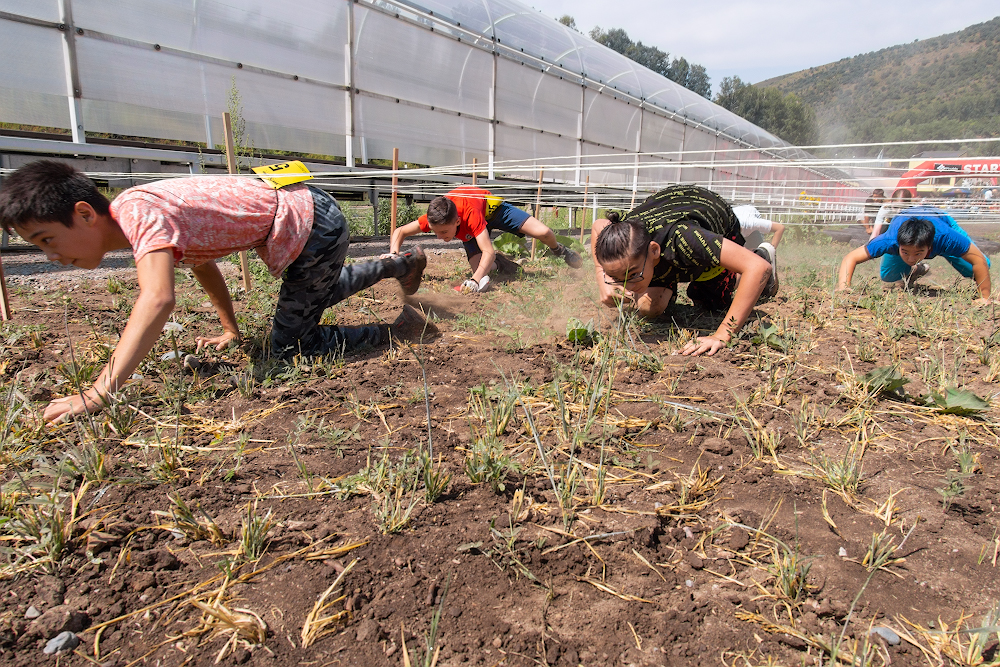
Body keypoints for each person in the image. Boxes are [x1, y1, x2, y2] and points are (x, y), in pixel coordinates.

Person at [0, 160, 429, 422]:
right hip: (311, 215)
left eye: (46, 240)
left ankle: (402, 330)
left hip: (313, 222)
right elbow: (203, 265)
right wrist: (230, 331)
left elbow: (157, 298)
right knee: (316, 293)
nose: (50, 256)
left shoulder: (138, 213)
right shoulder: (140, 215)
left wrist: (98, 391)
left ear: (84, 214)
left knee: (291, 348)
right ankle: (399, 263)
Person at [591, 184, 779, 357]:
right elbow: (599, 225)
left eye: (632, 275)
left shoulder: (686, 239)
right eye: (617, 278)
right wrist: (602, 278)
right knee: (649, 307)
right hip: (664, 241)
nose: (628, 287)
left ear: (654, 250)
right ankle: (656, 279)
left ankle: (760, 255)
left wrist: (722, 335)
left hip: (712, 221)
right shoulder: (625, 235)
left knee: (711, 301)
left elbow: (757, 268)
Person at [388, 185, 583, 292]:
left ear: (456, 221)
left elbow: (487, 250)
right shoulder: (435, 217)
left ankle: (560, 250)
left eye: (444, 233)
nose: (440, 237)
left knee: (544, 233)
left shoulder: (470, 215)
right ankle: (501, 263)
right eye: (435, 232)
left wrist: (473, 280)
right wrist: (393, 254)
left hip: (493, 212)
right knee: (485, 269)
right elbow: (400, 232)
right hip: (473, 225)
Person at [836, 206, 992, 299]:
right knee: (888, 277)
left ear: (930, 248)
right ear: (898, 245)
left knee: (981, 266)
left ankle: (945, 254)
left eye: (918, 254)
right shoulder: (889, 240)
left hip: (941, 219)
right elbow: (851, 257)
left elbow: (979, 261)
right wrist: (844, 287)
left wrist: (984, 298)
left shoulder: (947, 238)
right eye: (905, 252)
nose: (911, 258)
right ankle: (917, 270)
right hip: (906, 220)